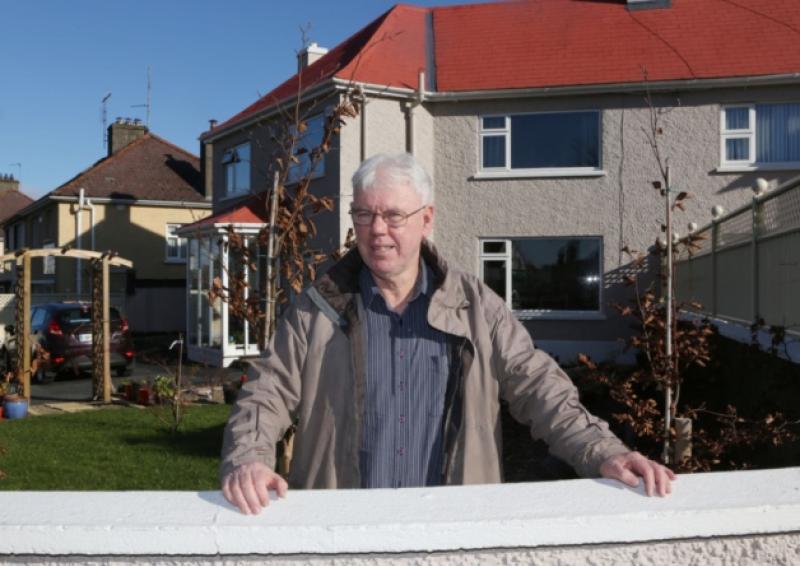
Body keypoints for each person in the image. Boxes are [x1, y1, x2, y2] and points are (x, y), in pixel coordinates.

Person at [221, 153, 674, 515]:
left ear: (427, 219)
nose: (377, 230)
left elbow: (540, 388)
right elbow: (266, 393)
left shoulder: (477, 308)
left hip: (451, 529)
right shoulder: (316, 309)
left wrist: (602, 451)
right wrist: (249, 460)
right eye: (363, 214)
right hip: (347, 529)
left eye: (393, 215)